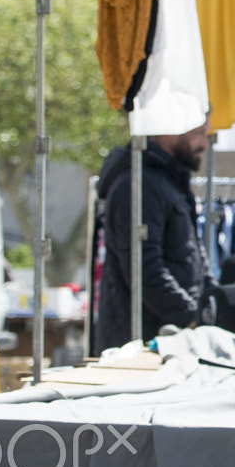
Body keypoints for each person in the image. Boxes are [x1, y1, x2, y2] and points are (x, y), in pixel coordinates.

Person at [95, 125, 211, 351]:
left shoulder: (170, 181)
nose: (204, 144)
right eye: (198, 134)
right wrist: (190, 316)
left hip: (172, 335)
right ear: (170, 131)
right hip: (141, 343)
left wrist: (211, 304)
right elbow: (143, 268)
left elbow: (193, 253)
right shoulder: (139, 185)